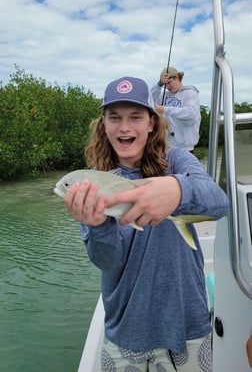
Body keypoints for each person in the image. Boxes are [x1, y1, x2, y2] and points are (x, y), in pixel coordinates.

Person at [64, 76, 228, 372]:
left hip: (187, 324)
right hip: (127, 331)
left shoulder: (177, 161)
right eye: (115, 117)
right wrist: (99, 225)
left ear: (152, 122)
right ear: (103, 124)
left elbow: (219, 202)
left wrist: (177, 189)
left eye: (136, 117)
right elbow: (106, 261)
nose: (125, 127)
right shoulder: (91, 183)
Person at [151, 67, 201, 151]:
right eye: (165, 84)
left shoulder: (191, 94)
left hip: (185, 149)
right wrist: (159, 84)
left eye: (169, 83)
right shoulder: (164, 95)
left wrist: (165, 109)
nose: (167, 87)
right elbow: (149, 99)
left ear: (177, 77)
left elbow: (191, 114)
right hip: (164, 147)